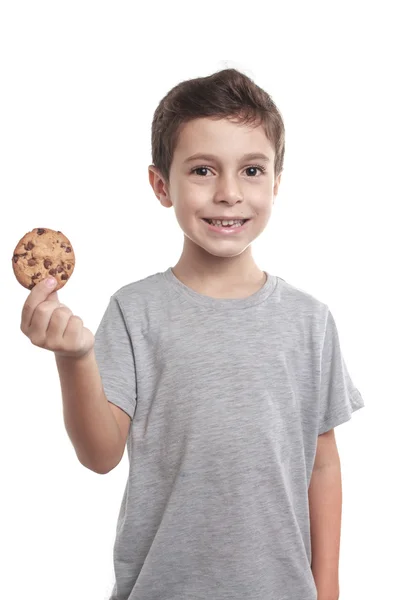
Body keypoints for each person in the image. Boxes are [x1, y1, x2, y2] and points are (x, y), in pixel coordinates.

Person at [20, 68, 365, 600]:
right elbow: (100, 455)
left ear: (275, 183)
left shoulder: (310, 321)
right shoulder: (135, 312)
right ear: (162, 185)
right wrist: (74, 358)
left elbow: (322, 462)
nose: (229, 193)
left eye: (251, 170)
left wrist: (328, 589)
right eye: (203, 170)